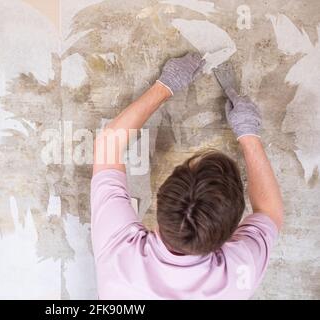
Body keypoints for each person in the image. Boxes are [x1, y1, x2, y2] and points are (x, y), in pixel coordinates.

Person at [91, 52, 284, 299]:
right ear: (231, 231)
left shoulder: (119, 255)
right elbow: (269, 212)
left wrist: (166, 85)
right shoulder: (238, 274)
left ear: (159, 200)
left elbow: (108, 144)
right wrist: (248, 133)